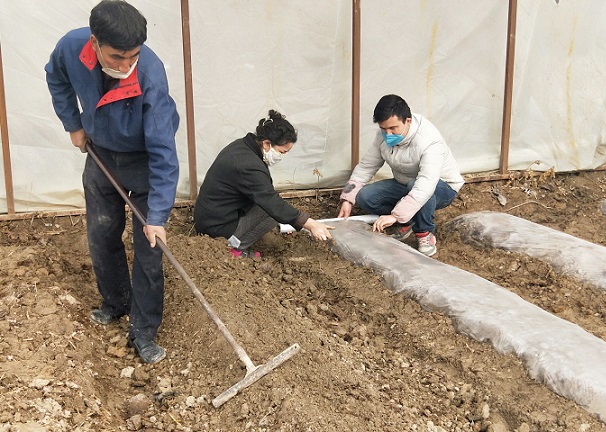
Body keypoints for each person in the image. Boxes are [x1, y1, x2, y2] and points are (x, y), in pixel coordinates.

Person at [45, 0, 180, 364]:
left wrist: (158, 216)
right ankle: (116, 301)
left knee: (149, 247)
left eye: (133, 56)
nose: (125, 65)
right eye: (117, 56)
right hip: (101, 154)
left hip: (144, 160)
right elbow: (55, 76)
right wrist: (73, 124)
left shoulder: (149, 75)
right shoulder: (71, 47)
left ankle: (143, 331)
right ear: (94, 42)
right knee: (102, 234)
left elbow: (163, 151)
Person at [338, 94, 463, 257]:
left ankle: (424, 233)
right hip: (405, 183)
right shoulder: (383, 136)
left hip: (441, 187)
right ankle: (409, 219)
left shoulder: (429, 141)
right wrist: (347, 199)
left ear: (408, 121)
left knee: (415, 185)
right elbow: (366, 167)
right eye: (383, 129)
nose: (388, 134)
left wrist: (394, 216)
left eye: (393, 128)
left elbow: (426, 183)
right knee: (365, 197)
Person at [194, 110, 333, 256]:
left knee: (274, 209)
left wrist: (289, 220)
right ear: (266, 143)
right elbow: (271, 201)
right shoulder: (248, 165)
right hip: (217, 228)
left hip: (212, 216)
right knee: (271, 212)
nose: (282, 156)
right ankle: (233, 248)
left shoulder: (243, 147)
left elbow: (262, 193)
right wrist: (310, 224)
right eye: (282, 152)